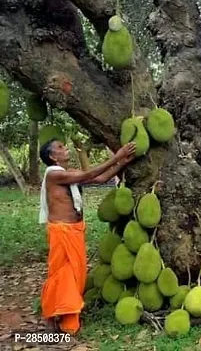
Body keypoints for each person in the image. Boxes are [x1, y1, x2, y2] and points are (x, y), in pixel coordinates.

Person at [38, 137, 136, 335]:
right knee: (60, 275)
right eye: (60, 147)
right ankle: (50, 315)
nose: (65, 149)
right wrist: (116, 156)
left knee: (75, 276)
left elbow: (97, 179)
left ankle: (67, 320)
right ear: (52, 156)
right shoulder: (53, 175)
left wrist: (121, 164)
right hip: (62, 230)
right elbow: (91, 172)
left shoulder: (68, 174)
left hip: (74, 230)